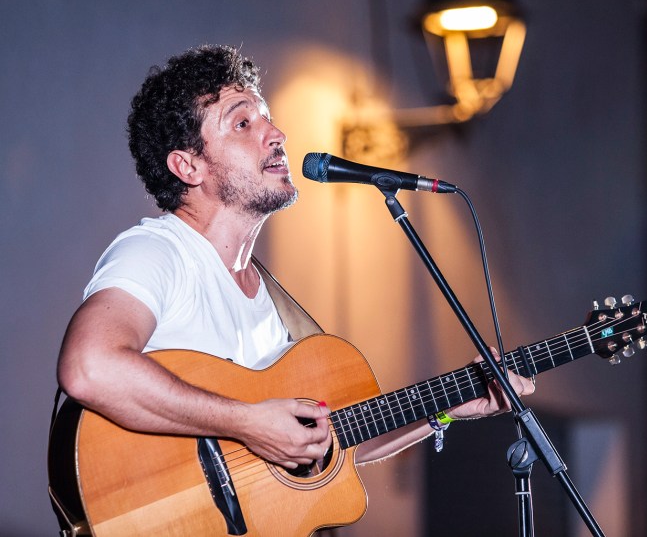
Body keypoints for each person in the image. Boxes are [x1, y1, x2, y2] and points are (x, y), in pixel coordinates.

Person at [56, 44, 534, 510]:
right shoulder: (158, 252)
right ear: (188, 166)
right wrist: (247, 423)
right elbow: (90, 367)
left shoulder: (271, 302)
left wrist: (447, 408)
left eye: (267, 118)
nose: (277, 134)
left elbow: (333, 440)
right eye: (243, 123)